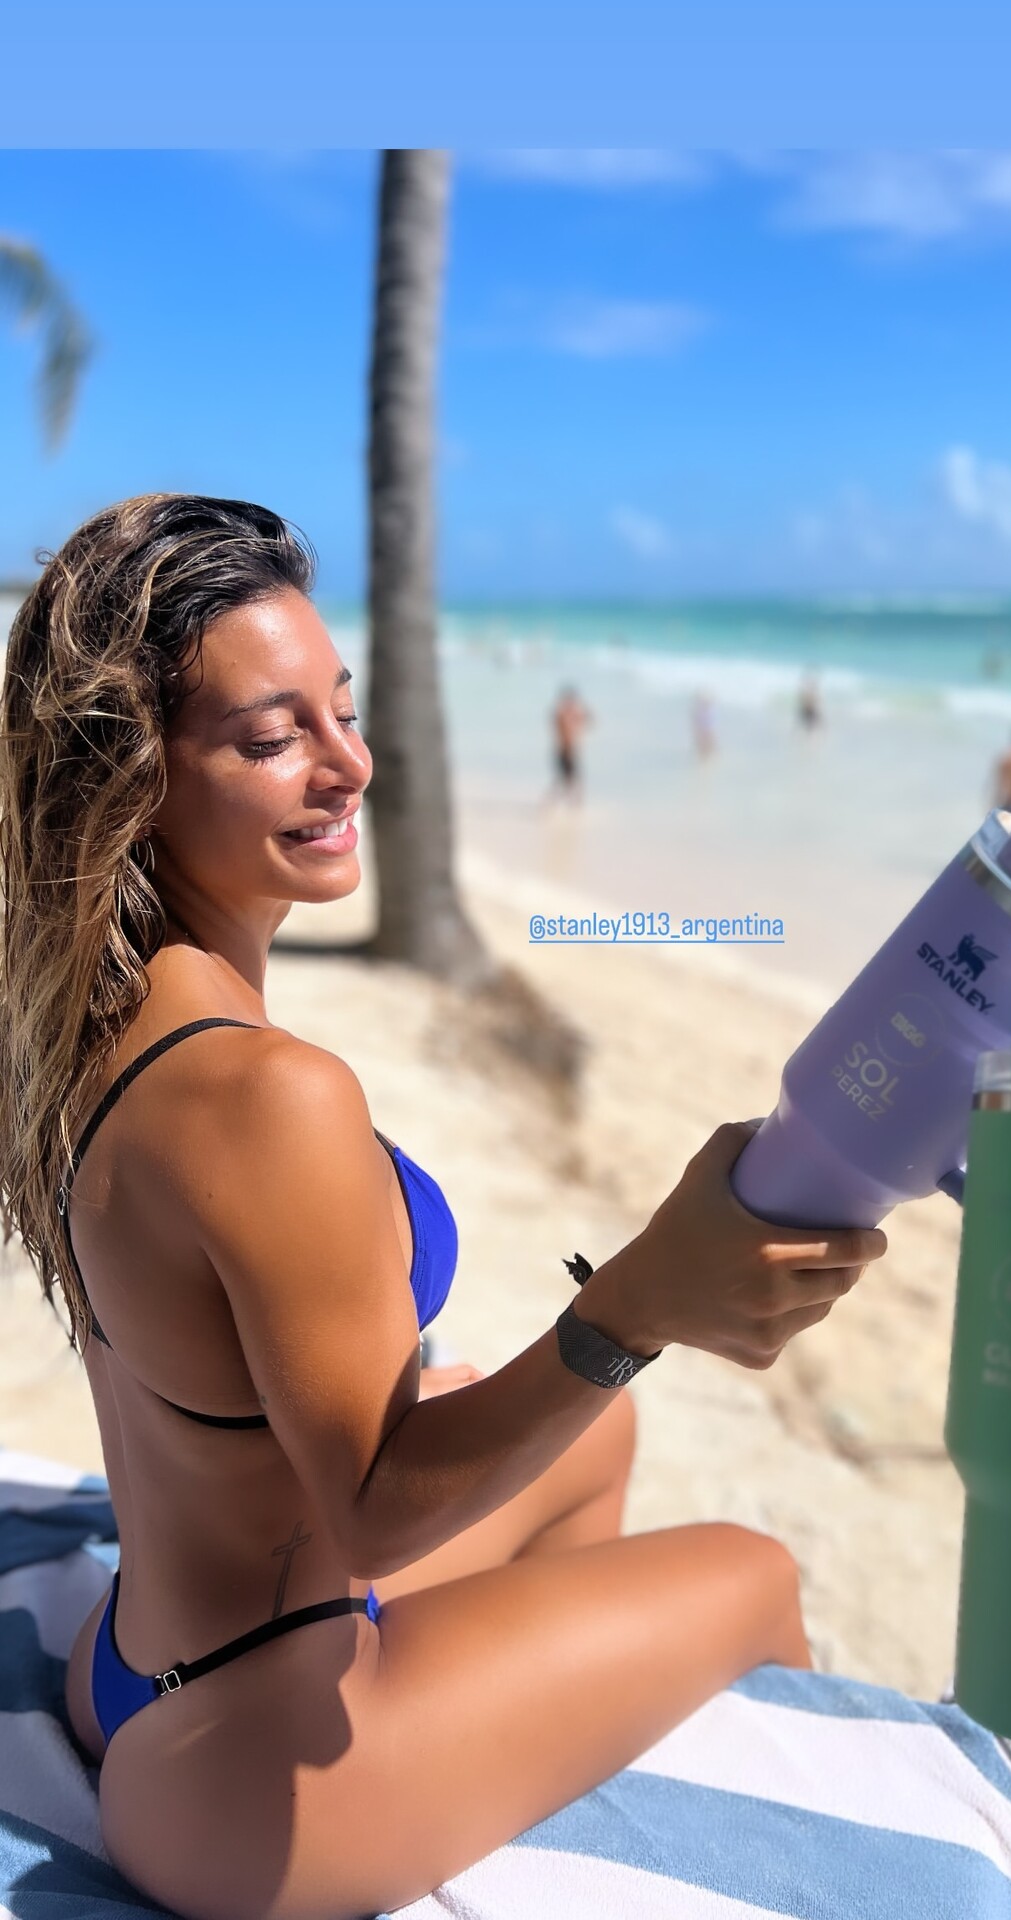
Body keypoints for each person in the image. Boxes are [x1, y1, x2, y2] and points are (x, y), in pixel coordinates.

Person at [0, 495, 886, 1920]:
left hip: (145, 1658)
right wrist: (634, 1306)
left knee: (600, 1448)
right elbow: (368, 1521)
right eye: (273, 739)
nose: (350, 763)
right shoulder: (268, 1094)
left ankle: (508, 1741)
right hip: (253, 1767)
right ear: (134, 779)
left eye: (344, 713)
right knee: (755, 1570)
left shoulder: (82, 1016)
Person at [547, 683, 593, 803]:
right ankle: (565, 803)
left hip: (570, 751)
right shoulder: (561, 715)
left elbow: (587, 720)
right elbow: (563, 731)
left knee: (570, 779)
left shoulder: (567, 714)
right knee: (566, 780)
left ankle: (573, 803)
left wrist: (580, 716)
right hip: (564, 751)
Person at [690, 688, 718, 760]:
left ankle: (708, 756)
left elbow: (711, 722)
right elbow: (696, 721)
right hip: (702, 729)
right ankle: (704, 757)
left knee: (708, 743)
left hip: (707, 729)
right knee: (702, 744)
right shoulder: (699, 710)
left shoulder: (710, 710)